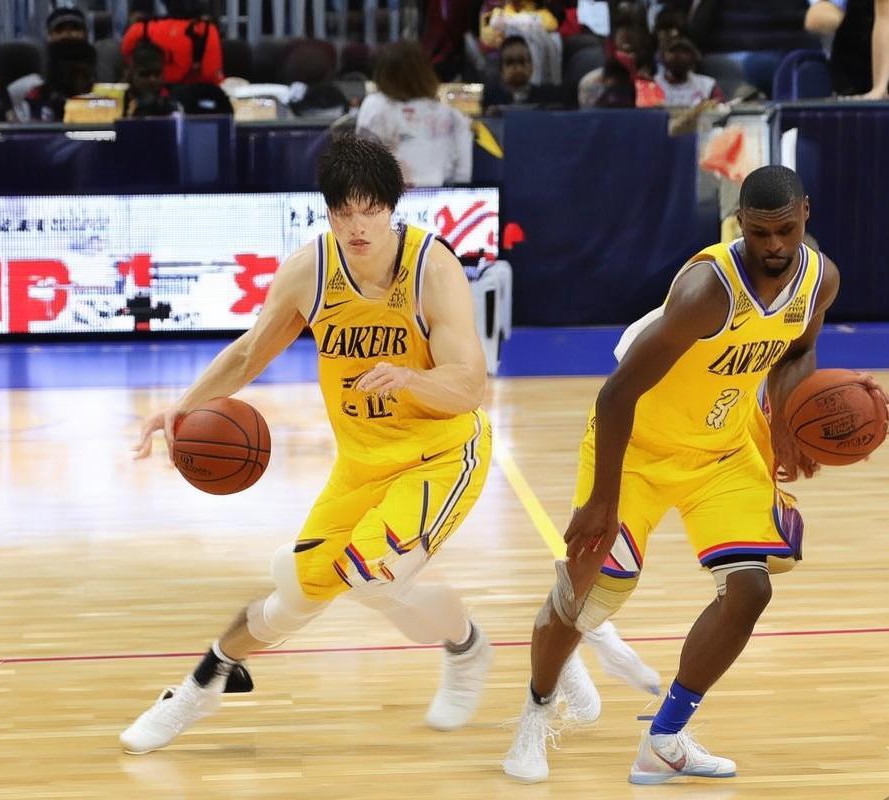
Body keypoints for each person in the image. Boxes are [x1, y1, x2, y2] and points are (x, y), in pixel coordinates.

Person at [119, 135, 649, 754]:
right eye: (343, 212)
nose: (357, 227)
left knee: (369, 577)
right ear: (328, 212)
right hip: (361, 462)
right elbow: (249, 353)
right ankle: (200, 686)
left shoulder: (432, 269)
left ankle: (467, 648)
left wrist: (410, 378)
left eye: (370, 211)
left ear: (391, 209)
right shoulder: (309, 271)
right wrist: (182, 408)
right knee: (297, 594)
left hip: (442, 454)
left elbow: (470, 387)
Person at [503, 165, 889, 783]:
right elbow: (616, 394)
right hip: (638, 450)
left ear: (805, 215)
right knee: (588, 594)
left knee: (751, 590)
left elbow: (795, 352)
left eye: (785, 230)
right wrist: (602, 500)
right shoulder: (707, 290)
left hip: (721, 451)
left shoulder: (821, 280)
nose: (773, 245)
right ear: (739, 223)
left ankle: (664, 738)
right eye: (759, 232)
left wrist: (787, 426)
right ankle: (537, 708)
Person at [355, 41, 472, 187]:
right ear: (427, 73)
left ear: (383, 74)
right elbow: (463, 176)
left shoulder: (374, 105)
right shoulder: (453, 115)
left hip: (388, 196)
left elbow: (361, 171)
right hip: (436, 196)